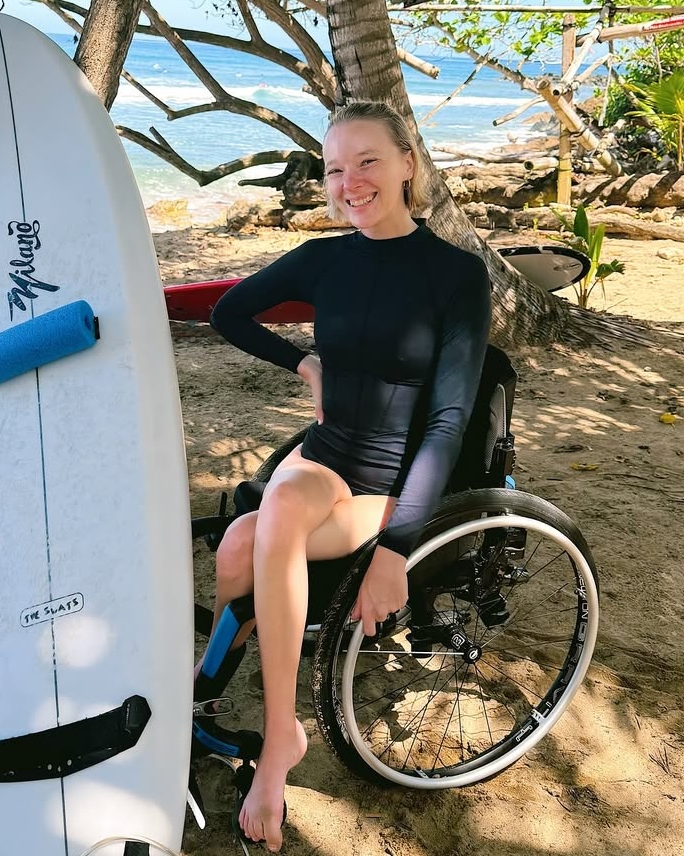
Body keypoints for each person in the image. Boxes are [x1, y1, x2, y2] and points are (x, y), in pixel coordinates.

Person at [202, 100, 492, 851]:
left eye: (366, 161)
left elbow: (448, 421)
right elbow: (230, 314)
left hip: (392, 475)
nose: (349, 181)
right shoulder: (325, 259)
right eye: (334, 169)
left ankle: (278, 742)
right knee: (237, 547)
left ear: (406, 163)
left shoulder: (455, 275)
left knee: (266, 524)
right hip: (324, 451)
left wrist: (397, 547)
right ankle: (205, 697)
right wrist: (300, 361)